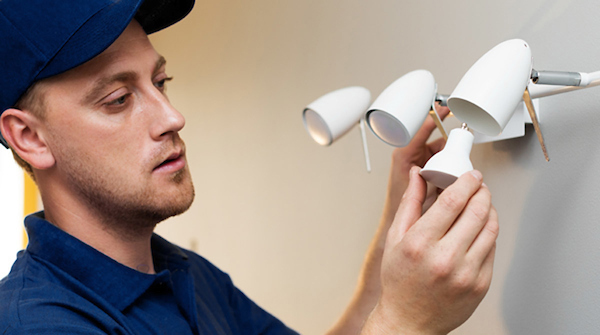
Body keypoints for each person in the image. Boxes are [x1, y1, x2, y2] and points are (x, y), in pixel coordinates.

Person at [0, 0, 498, 334]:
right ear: (30, 137)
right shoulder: (37, 324)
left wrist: (393, 247)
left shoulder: (185, 276)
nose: (173, 117)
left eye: (162, 81)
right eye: (118, 99)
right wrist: (406, 321)